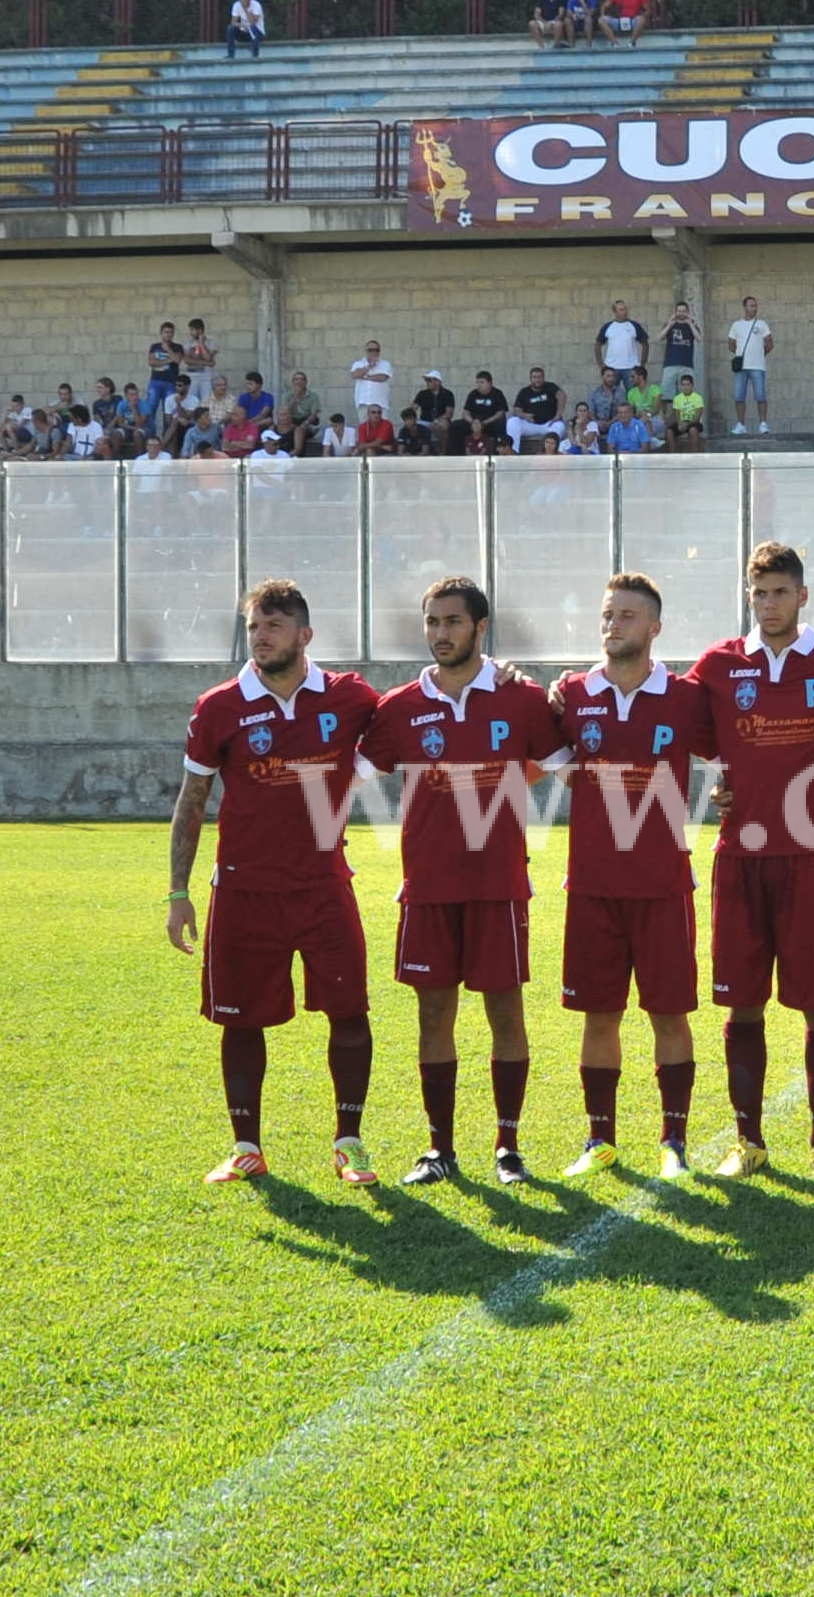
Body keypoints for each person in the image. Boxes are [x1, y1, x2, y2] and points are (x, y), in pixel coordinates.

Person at [169, 580, 384, 1185]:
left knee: (348, 1010)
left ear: (304, 635)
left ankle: (349, 1143)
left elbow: (408, 716)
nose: (260, 636)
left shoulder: (348, 696)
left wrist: (501, 679)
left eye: (274, 625)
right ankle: (246, 1147)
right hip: (242, 891)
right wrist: (178, 893)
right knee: (241, 1019)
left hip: (322, 885)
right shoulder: (219, 705)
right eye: (254, 626)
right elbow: (192, 800)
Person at [353, 577, 563, 1186]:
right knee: (433, 1014)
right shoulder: (399, 708)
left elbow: (560, 765)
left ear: (480, 627)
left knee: (505, 1011)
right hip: (428, 886)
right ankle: (439, 1150)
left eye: (452, 621)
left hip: (498, 882)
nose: (441, 633)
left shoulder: (519, 699)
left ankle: (508, 1148)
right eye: (433, 622)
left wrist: (504, 789)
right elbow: (352, 774)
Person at [688, 543, 814, 1178]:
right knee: (742, 1004)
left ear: (803, 596)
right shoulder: (718, 664)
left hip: (809, 858)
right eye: (758, 593)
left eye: (779, 592)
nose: (768, 604)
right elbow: (664, 706)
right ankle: (747, 1142)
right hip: (739, 857)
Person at [548, 572, 716, 1181]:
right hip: (592, 885)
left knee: (669, 1015)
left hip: (664, 884)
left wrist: (727, 787)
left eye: (626, 615)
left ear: (654, 628)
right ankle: (600, 1140)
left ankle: (674, 1141)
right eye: (607, 614)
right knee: (600, 1015)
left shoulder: (686, 696)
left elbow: (728, 752)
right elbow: (547, 763)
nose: (612, 624)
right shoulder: (572, 693)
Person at [726, 296, 773, 435]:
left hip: (758, 366)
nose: (754, 308)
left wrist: (759, 354)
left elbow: (770, 343)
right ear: (745, 307)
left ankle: (763, 424)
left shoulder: (762, 324)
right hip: (741, 367)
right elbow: (731, 343)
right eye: (751, 305)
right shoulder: (736, 325)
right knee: (739, 396)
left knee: (760, 395)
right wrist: (740, 354)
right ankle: (741, 424)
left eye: (755, 306)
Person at [507, 366, 563, 453]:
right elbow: (517, 410)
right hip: (531, 425)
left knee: (560, 426)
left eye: (539, 377)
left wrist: (558, 415)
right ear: (530, 379)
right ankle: (513, 452)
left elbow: (562, 396)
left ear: (543, 378)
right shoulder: (524, 391)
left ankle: (554, 454)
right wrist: (524, 415)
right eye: (534, 377)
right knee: (512, 421)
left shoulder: (550, 387)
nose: (537, 380)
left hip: (548, 424)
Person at [595, 299, 647, 383]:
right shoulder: (608, 326)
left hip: (631, 368)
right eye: (621, 310)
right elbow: (598, 345)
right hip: (612, 368)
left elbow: (645, 344)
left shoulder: (634, 325)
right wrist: (601, 364)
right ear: (615, 312)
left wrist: (642, 364)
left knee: (632, 394)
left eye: (625, 309)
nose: (625, 312)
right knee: (612, 393)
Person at [657, 302, 702, 401]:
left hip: (686, 365)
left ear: (687, 312)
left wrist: (691, 323)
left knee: (686, 394)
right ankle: (666, 416)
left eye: (684, 311)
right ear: (675, 312)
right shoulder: (670, 324)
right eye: (679, 311)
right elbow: (659, 337)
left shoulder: (692, 325)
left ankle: (682, 415)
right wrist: (669, 324)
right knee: (665, 394)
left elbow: (699, 338)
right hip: (670, 364)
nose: (681, 313)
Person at [143, 322, 182, 431]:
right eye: (166, 332)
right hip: (155, 382)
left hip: (171, 383)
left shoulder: (177, 347)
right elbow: (151, 362)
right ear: (161, 333)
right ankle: (150, 436)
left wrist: (168, 349)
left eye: (170, 332)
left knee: (168, 412)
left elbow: (178, 360)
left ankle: (166, 438)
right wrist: (169, 360)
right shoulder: (155, 346)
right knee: (150, 409)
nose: (168, 334)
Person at [347, 339, 392, 421]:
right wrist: (369, 367)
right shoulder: (358, 364)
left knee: (382, 431)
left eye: (376, 350)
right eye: (370, 350)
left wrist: (365, 377)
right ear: (366, 351)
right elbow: (354, 375)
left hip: (380, 403)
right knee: (365, 429)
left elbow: (383, 377)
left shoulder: (385, 364)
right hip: (364, 403)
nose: (373, 352)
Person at [182, 319, 219, 417]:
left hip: (206, 377)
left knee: (206, 403)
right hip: (191, 377)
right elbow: (187, 360)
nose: (190, 333)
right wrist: (206, 363)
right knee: (191, 403)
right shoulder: (188, 343)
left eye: (192, 330)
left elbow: (208, 357)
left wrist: (201, 343)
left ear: (200, 330)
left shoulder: (211, 343)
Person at [283, 370, 321, 456]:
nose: (299, 382)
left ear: (306, 382)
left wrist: (305, 424)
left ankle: (297, 454)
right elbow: (286, 412)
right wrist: (295, 397)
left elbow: (314, 414)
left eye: (301, 379)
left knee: (300, 430)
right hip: (292, 421)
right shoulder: (287, 396)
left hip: (307, 421)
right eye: (296, 379)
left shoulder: (313, 396)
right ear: (293, 382)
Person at [667, 372, 706, 449]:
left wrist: (687, 424)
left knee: (692, 430)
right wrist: (680, 423)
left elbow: (697, 417)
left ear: (692, 385)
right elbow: (677, 414)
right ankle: (673, 456)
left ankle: (694, 456)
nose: (685, 387)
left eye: (688, 385)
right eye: (683, 385)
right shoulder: (677, 398)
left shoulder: (698, 398)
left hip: (694, 422)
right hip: (681, 422)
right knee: (669, 431)